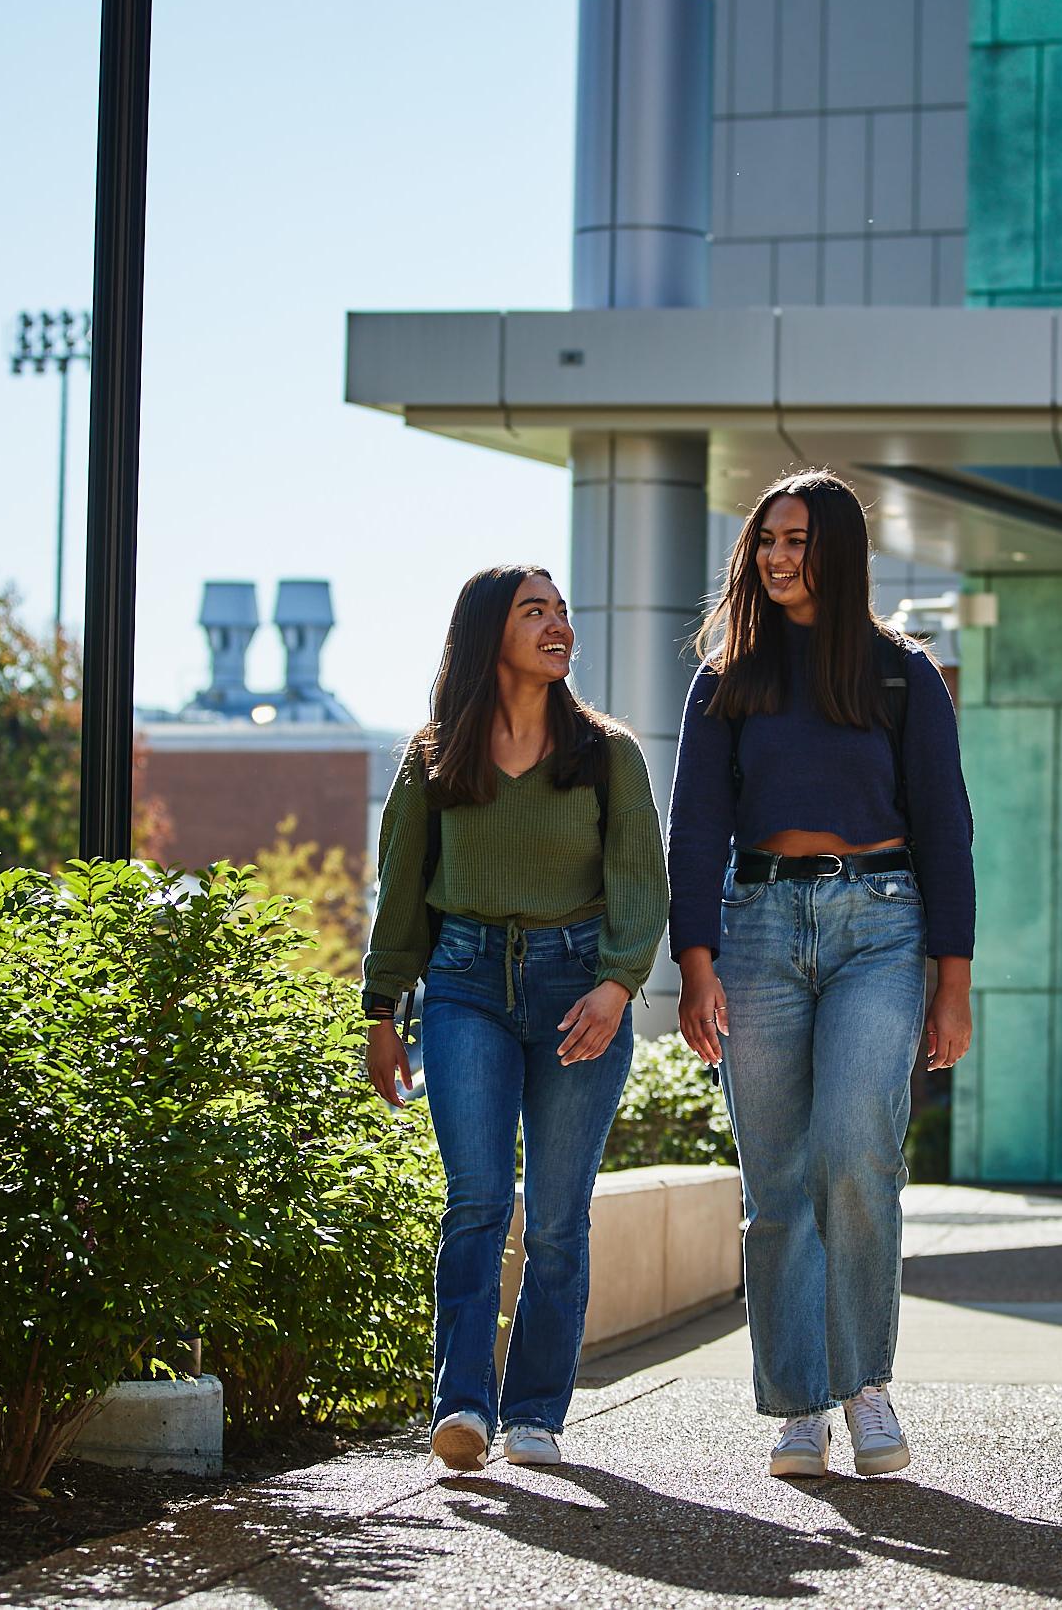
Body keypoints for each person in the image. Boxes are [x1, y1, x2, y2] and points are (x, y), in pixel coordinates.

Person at [670, 469, 975, 1481]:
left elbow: (946, 828)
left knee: (854, 1152)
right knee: (776, 1182)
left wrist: (953, 979)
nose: (776, 555)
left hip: (881, 927)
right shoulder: (726, 675)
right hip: (755, 928)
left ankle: (866, 1384)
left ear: (836, 549)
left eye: (795, 538)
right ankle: (798, 1404)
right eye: (765, 539)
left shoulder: (901, 673)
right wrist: (695, 960)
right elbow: (696, 826)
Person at [361, 565, 667, 1473]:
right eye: (536, 611)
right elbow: (400, 897)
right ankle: (462, 1404)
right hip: (463, 986)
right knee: (479, 1200)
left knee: (561, 1216)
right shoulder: (432, 759)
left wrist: (616, 985)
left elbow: (639, 885)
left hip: (580, 988)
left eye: (562, 609)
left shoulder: (607, 753)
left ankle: (535, 1411)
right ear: (490, 632)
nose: (557, 623)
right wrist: (383, 1011)